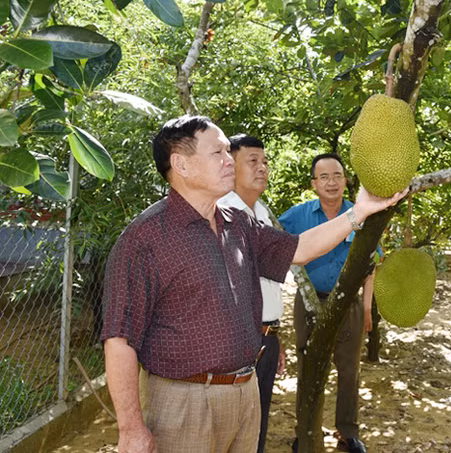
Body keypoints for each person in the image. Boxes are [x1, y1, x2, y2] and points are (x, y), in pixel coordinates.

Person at [101, 116, 405, 453]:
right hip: (182, 402)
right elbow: (119, 340)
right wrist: (130, 429)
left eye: (229, 152)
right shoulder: (145, 239)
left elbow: (300, 248)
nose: (229, 160)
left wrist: (358, 212)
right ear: (181, 165)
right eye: (218, 152)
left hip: (246, 394)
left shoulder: (238, 223)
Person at [279, 153, 375, 453]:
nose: (331, 182)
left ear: (346, 180)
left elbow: (373, 264)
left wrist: (368, 308)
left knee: (349, 370)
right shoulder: (297, 216)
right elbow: (270, 240)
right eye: (324, 177)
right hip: (309, 302)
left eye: (337, 175)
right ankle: (305, 431)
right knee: (308, 367)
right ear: (313, 184)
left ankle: (348, 432)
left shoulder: (362, 214)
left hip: (348, 304)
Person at [217, 133, 285, 453]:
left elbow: (267, 285)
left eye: (265, 161)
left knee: (256, 428)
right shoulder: (223, 213)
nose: (262, 168)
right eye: (253, 161)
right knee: (231, 432)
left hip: (265, 339)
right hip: (237, 342)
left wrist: (273, 338)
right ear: (231, 166)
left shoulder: (261, 212)